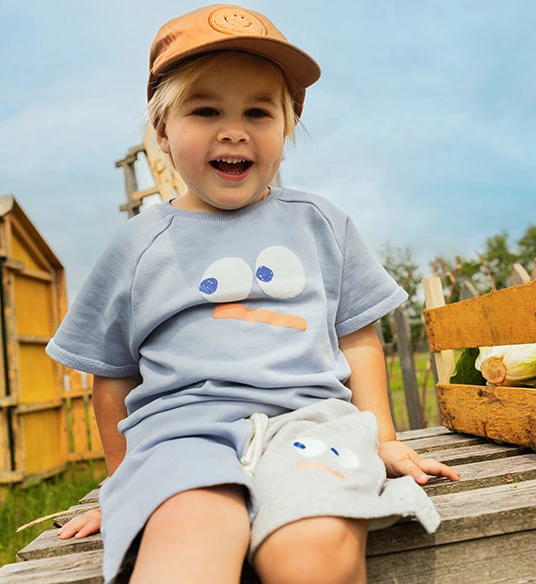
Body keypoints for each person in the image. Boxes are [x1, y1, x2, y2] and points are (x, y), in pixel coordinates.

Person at [46, 4, 460, 583]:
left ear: (285, 129)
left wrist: (382, 440)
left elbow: (357, 335)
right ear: (162, 132)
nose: (233, 129)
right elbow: (111, 373)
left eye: (258, 111)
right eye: (206, 109)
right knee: (191, 536)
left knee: (316, 547)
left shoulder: (321, 224)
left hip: (310, 424)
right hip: (183, 433)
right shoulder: (137, 246)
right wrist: (121, 484)